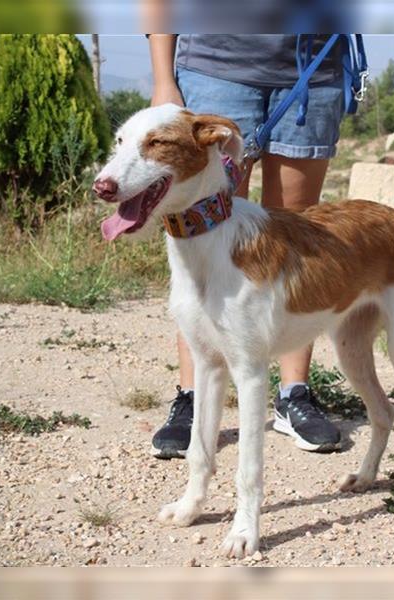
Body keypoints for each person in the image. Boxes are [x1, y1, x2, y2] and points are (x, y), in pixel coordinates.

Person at [148, 34, 346, 458]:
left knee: (296, 234)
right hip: (217, 63)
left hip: (311, 66)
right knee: (200, 230)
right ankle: (193, 398)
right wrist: (164, 77)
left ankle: (294, 393)